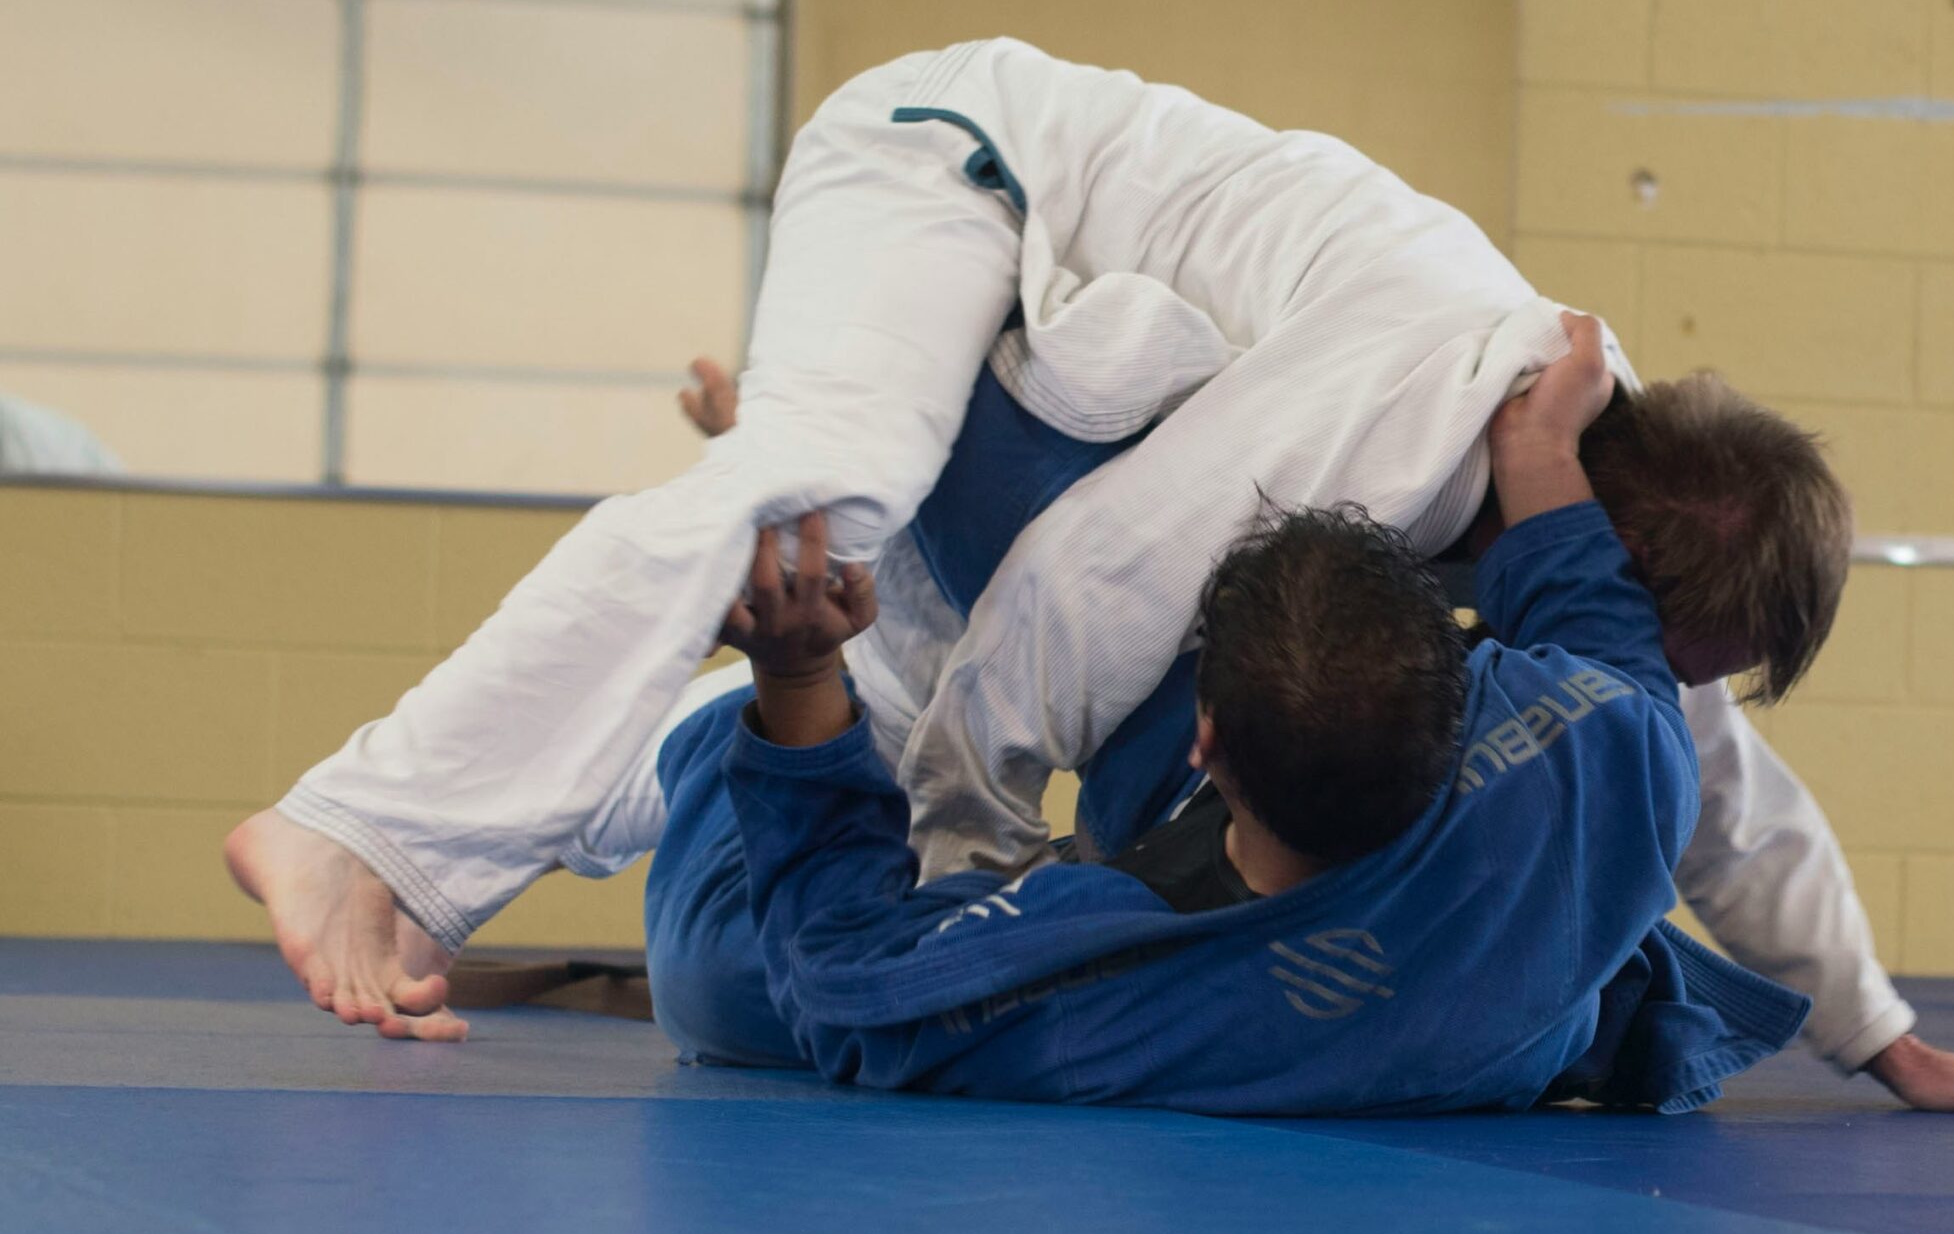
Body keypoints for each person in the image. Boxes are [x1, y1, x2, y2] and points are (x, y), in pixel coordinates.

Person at [228, 38, 1954, 1113]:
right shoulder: (1409, 406)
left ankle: (692, 725)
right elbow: (1080, 584)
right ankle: (364, 824)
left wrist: (1881, 1033)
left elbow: (1712, 774)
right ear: (1613, 542)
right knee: (832, 485)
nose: (1657, 670)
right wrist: (964, 880)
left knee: (852, 639)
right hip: (945, 167)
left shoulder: (1577, 531)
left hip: (1062, 355)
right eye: (1670, 635)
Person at [641, 325, 1809, 1112]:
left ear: (1205, 741)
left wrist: (796, 680)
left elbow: (840, 980)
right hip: (1447, 979)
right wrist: (1547, 452)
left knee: (724, 987)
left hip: (1138, 904)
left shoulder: (1123, 987)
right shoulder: (1612, 754)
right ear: (1464, 690)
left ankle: (724, 729)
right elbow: (1598, 614)